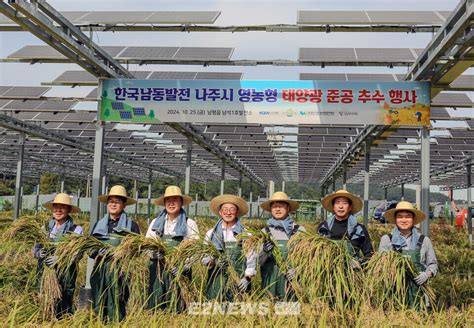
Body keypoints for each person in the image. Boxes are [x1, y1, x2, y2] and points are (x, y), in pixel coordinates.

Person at [89, 185, 140, 322]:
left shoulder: (131, 226)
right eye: (110, 201)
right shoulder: (98, 224)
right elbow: (89, 249)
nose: (113, 204)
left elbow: (136, 251)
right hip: (100, 270)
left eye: (117, 202)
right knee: (99, 302)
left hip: (120, 271)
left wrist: (121, 253)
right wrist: (97, 252)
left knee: (118, 301)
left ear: (124, 205)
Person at [145, 186, 199, 310]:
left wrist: (183, 267)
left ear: (181, 203)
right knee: (157, 304)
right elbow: (147, 244)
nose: (171, 203)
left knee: (178, 306)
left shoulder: (189, 223)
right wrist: (153, 254)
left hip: (179, 273)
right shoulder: (155, 223)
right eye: (168, 200)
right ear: (164, 203)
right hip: (158, 270)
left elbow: (196, 250)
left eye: (175, 199)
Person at [379, 201, 438, 308]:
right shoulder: (387, 239)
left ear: (413, 219)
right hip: (393, 292)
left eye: (408, 216)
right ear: (395, 219)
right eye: (400, 217)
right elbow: (380, 266)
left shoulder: (424, 240)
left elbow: (433, 265)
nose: (404, 220)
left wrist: (427, 274)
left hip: (418, 292)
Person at [33, 193, 83, 319]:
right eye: (55, 207)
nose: (58, 210)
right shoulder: (45, 228)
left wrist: (60, 258)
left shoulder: (76, 229)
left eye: (62, 207)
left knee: (63, 302)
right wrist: (38, 253)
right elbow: (36, 247)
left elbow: (77, 253)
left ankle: (63, 321)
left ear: (69, 210)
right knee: (44, 299)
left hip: (65, 273)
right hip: (46, 271)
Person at [204, 194, 256, 302]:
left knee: (237, 314)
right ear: (220, 212)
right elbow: (204, 259)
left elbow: (251, 261)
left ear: (237, 212)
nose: (228, 212)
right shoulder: (211, 234)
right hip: (216, 281)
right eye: (225, 209)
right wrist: (214, 261)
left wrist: (246, 279)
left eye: (232, 209)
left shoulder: (245, 234)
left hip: (238, 282)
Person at [258, 191, 305, 300]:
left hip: (291, 280)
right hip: (270, 279)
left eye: (281, 206)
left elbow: (306, 258)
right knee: (270, 313)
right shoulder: (264, 231)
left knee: (290, 312)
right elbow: (258, 261)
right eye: (274, 206)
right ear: (271, 209)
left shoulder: (299, 230)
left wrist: (297, 270)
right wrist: (264, 251)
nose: (277, 209)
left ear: (288, 208)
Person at [318, 189, 373, 265]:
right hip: (327, 271)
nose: (341, 206)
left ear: (350, 207)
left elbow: (369, 253)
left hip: (352, 273)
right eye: (337, 203)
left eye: (344, 203)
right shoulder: (323, 228)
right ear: (333, 207)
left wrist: (360, 264)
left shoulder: (359, 229)